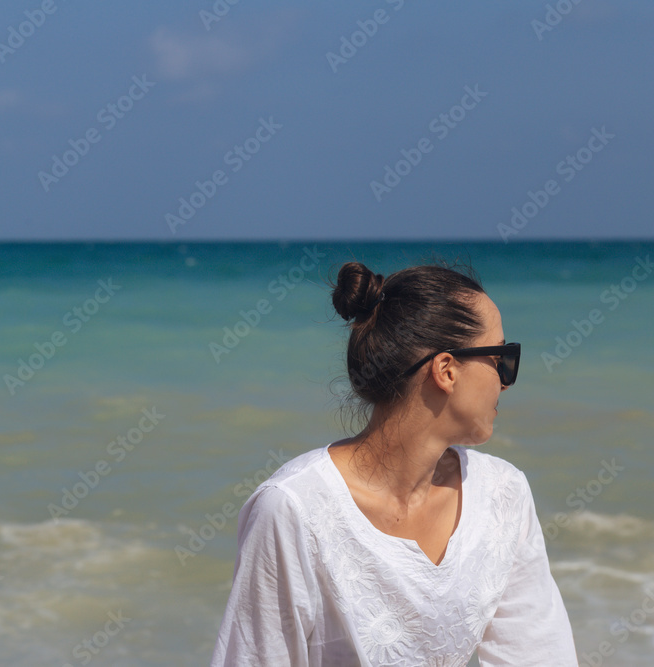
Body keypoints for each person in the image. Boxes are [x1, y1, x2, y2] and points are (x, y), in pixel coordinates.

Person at [210, 261, 577, 666]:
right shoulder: (294, 509)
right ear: (446, 370)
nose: (506, 381)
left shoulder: (503, 493)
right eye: (502, 356)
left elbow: (540, 655)